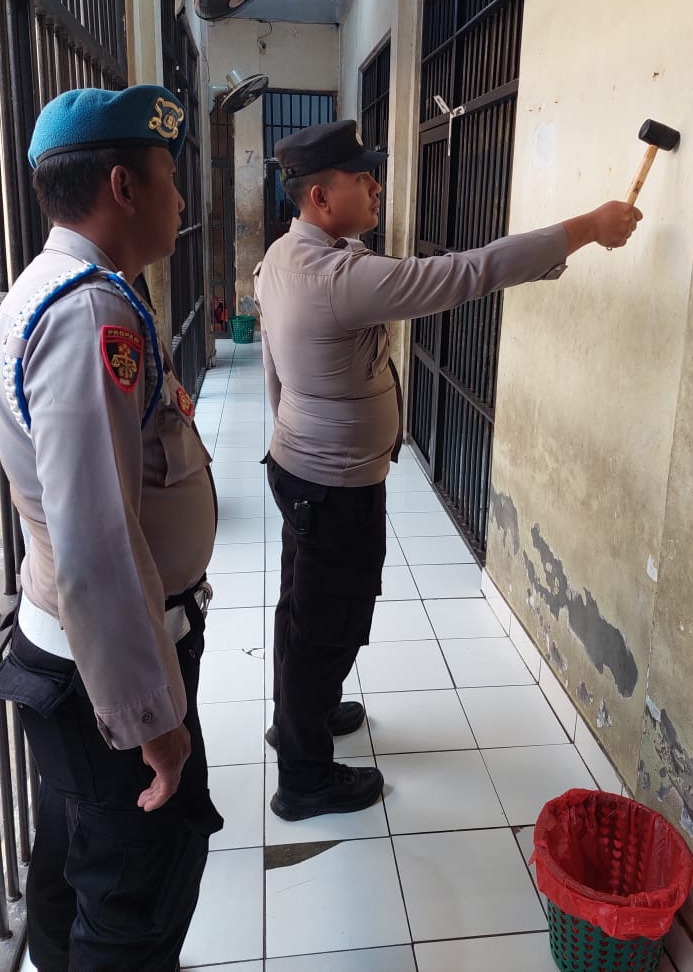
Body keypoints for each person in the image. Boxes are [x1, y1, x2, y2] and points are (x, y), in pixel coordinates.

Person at [255, 118, 642, 821]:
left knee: (303, 608)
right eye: (362, 177)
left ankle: (300, 717)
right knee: (328, 623)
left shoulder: (286, 254)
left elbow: (274, 370)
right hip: (331, 484)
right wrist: (588, 226)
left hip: (302, 470)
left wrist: (291, 440)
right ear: (320, 197)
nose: (377, 186)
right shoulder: (340, 277)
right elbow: (469, 272)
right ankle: (303, 778)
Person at [0, 85, 223, 971]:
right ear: (122, 186)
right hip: (103, 672)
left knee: (74, 865)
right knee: (134, 895)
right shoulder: (90, 311)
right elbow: (96, 544)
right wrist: (150, 718)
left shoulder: (53, 287)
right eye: (169, 177)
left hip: (80, 655)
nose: (181, 200)